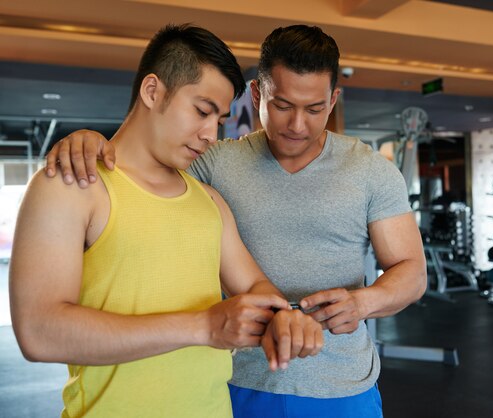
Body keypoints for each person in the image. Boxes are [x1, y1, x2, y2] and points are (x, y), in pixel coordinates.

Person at [45, 24, 427, 418]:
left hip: (341, 384)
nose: (298, 125)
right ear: (258, 94)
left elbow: (412, 273)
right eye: (282, 105)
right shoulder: (213, 162)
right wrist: (91, 143)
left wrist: (361, 304)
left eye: (314, 109)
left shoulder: (369, 170)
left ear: (333, 100)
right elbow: (142, 165)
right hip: (233, 381)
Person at [10, 24, 323, 418]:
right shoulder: (72, 185)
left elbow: (257, 288)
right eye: (202, 111)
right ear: (152, 91)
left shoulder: (209, 201)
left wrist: (286, 321)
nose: (211, 134)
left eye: (220, 119)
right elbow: (40, 333)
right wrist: (203, 327)